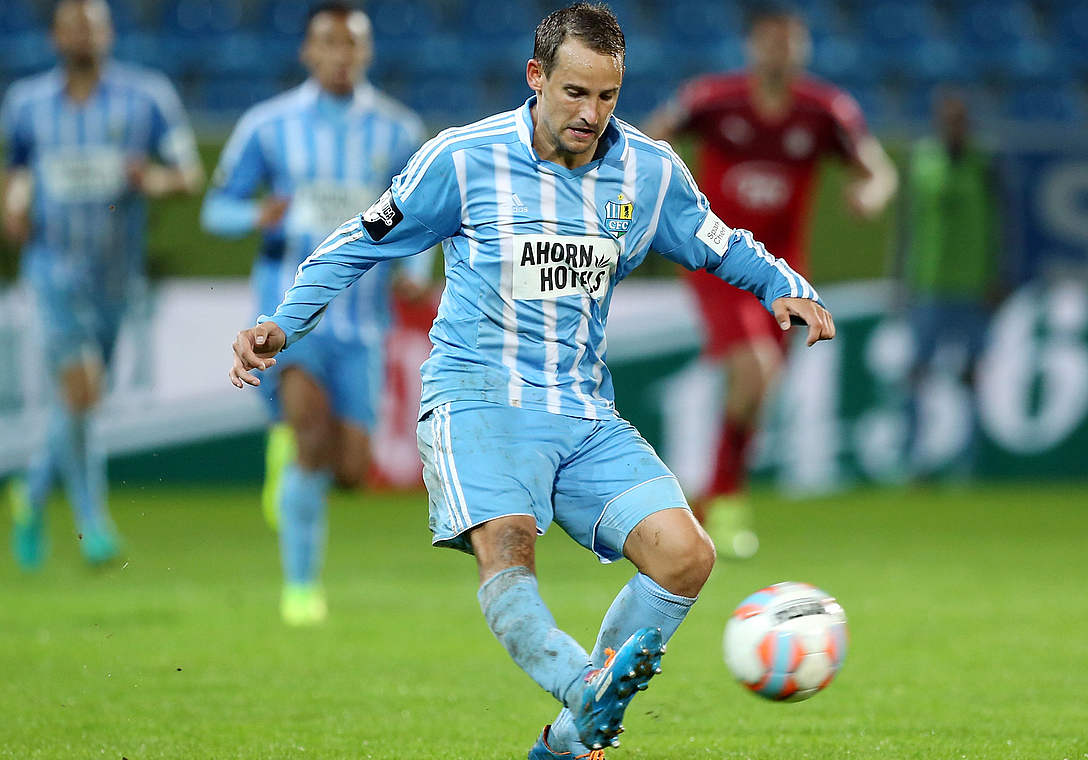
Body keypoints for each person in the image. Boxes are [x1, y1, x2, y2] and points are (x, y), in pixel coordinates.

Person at [228, 3, 834, 755]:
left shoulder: (645, 170)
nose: (591, 113)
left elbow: (717, 241)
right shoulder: (464, 158)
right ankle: (590, 693)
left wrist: (781, 284)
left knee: (687, 556)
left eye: (608, 96)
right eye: (574, 93)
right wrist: (283, 323)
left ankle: (566, 741)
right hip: (476, 400)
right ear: (535, 77)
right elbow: (362, 241)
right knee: (509, 545)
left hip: (581, 409)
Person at [201, 2, 430, 626]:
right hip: (287, 316)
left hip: (361, 323)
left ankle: (290, 468)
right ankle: (301, 590)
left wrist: (414, 274)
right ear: (307, 51)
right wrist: (255, 215)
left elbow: (420, 218)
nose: (340, 55)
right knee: (310, 436)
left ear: (367, 52)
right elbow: (214, 209)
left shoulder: (397, 131)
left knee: (352, 470)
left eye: (351, 44)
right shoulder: (267, 126)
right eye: (328, 42)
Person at [642, 5, 896, 559]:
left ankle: (717, 502)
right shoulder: (712, 99)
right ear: (753, 45)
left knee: (763, 385)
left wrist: (869, 196)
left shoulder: (825, 111)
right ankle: (724, 504)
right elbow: (647, 142)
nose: (782, 50)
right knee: (755, 369)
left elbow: (879, 171)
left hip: (783, 273)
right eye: (772, 39)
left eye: (793, 40)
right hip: (719, 262)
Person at [2, 0, 201, 570]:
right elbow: (16, 173)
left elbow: (187, 174)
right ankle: (95, 523)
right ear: (55, 36)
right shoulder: (27, 104)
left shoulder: (148, 97)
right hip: (51, 268)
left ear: (109, 33)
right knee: (84, 390)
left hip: (116, 275)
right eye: (72, 25)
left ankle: (31, 494)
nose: (82, 34)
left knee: (83, 403)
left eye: (92, 23)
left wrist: (152, 180)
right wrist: (12, 209)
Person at [897, 91, 1006, 480]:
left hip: (973, 285)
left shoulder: (984, 162)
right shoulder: (923, 158)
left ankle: (970, 466)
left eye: (960, 119)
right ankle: (913, 463)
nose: (954, 126)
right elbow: (907, 223)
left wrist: (998, 275)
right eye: (948, 119)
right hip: (928, 282)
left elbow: (1002, 222)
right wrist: (900, 278)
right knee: (917, 374)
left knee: (972, 376)